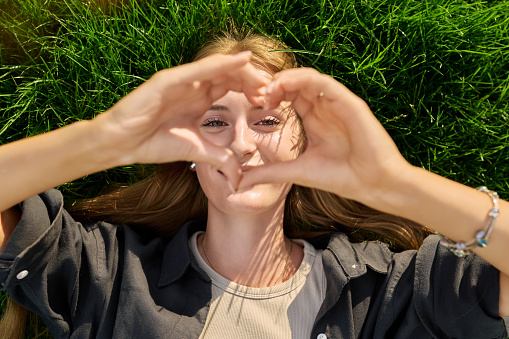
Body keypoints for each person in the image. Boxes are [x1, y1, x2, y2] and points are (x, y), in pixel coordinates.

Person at [0, 32, 508, 339]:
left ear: (302, 146)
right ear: (187, 157)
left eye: (267, 123)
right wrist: (105, 141)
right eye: (216, 123)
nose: (242, 144)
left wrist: (393, 183)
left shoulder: (383, 293)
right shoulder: (110, 275)